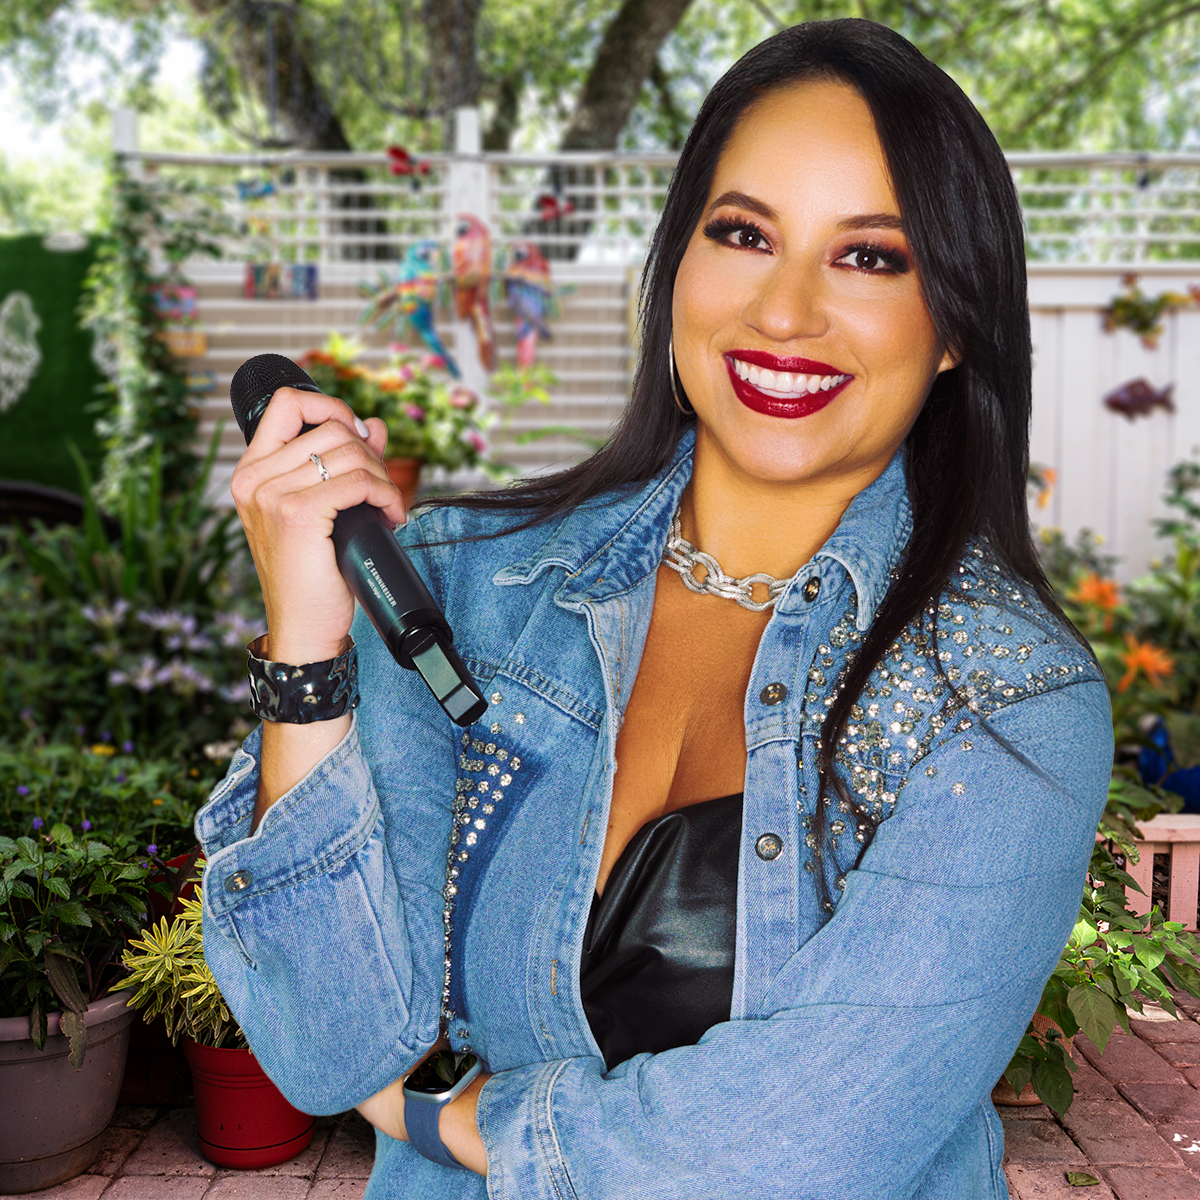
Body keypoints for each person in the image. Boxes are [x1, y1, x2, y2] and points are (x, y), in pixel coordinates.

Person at [198, 18, 1112, 1200]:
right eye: (743, 234)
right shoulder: (464, 587)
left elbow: (800, 1140)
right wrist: (310, 652)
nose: (785, 312)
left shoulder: (1008, 698)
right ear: (677, 262)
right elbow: (331, 1046)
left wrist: (462, 1123)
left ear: (955, 325)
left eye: (871, 257)